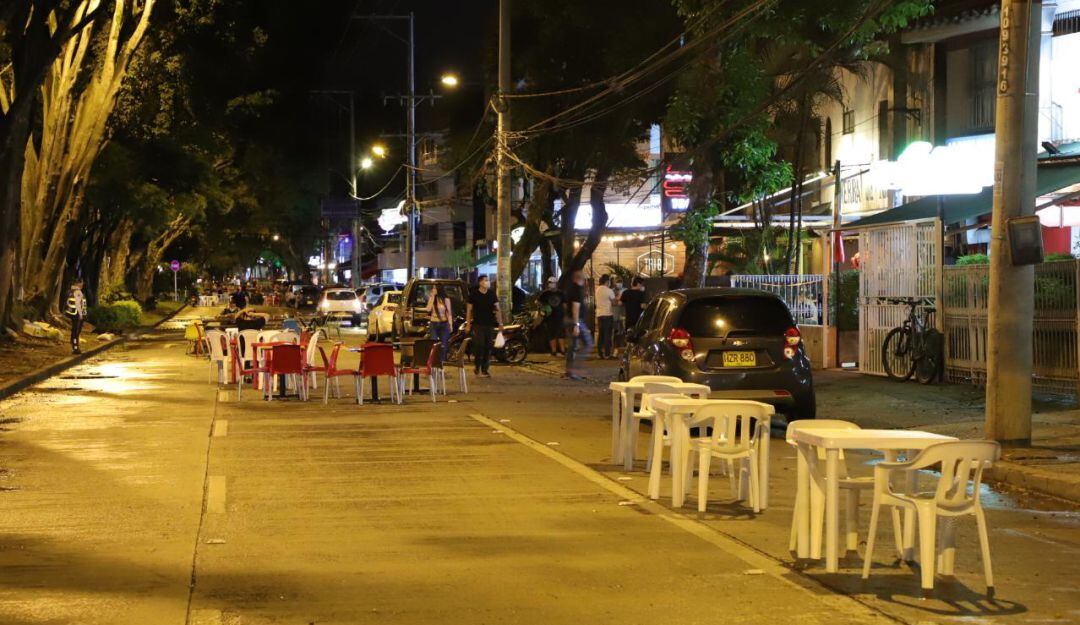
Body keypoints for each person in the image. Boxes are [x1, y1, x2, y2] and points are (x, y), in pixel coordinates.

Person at [465, 275, 503, 378]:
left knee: (488, 346)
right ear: (480, 282)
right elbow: (469, 310)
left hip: (489, 324)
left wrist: (500, 323)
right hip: (478, 324)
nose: (488, 282)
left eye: (488, 280)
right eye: (486, 280)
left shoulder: (492, 294)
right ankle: (477, 366)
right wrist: (468, 324)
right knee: (479, 345)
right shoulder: (473, 295)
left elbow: (497, 309)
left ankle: (485, 369)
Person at [563, 270, 593, 380]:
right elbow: (575, 307)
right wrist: (576, 324)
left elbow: (566, 305)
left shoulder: (570, 289)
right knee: (588, 343)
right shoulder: (577, 290)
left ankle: (571, 370)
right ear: (581, 279)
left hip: (570, 319)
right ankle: (575, 369)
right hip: (576, 320)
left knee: (573, 346)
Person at [425, 284, 453, 361]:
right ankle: (433, 362)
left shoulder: (446, 299)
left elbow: (449, 313)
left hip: (444, 323)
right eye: (433, 288)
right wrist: (432, 297)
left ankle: (441, 362)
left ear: (439, 289)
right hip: (434, 323)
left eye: (434, 288)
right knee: (434, 343)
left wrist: (450, 325)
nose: (433, 290)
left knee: (443, 345)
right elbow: (428, 309)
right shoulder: (432, 298)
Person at [539, 276, 565, 356]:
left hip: (560, 316)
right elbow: (538, 302)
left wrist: (566, 314)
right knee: (551, 334)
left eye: (553, 282)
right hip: (549, 317)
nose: (551, 284)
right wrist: (544, 308)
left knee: (561, 334)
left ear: (556, 284)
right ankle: (553, 351)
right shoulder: (545, 294)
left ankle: (562, 350)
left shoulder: (561, 293)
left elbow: (565, 304)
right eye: (549, 282)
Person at [594, 274, 616, 359]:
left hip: (599, 315)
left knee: (601, 334)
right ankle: (607, 354)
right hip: (607, 314)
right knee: (607, 335)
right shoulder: (609, 290)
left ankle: (600, 354)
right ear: (607, 281)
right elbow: (614, 303)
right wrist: (617, 298)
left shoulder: (597, 289)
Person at [65, 278, 87, 354]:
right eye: (81, 283)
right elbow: (78, 304)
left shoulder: (70, 291)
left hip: (73, 314)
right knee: (76, 332)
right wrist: (81, 315)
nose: (82, 285)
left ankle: (74, 344)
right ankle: (75, 347)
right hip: (77, 314)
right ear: (78, 283)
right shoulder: (78, 292)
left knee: (74, 331)